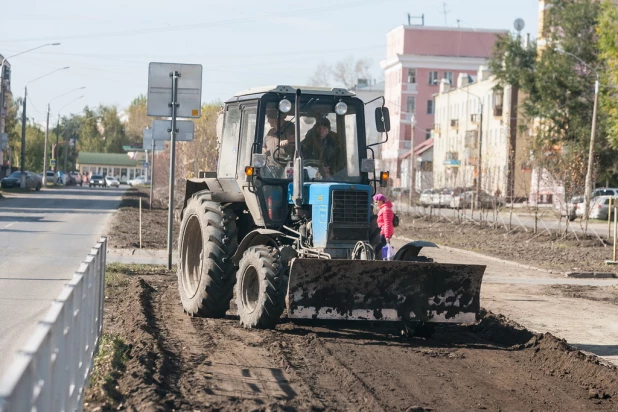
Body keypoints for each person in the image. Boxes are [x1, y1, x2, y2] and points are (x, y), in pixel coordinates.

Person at [374, 193, 394, 258]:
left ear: (380, 201)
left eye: (376, 201)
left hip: (384, 232)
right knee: (382, 247)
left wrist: (387, 236)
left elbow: (387, 223)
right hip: (383, 231)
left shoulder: (386, 210)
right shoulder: (383, 209)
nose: (375, 203)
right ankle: (384, 259)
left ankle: (378, 260)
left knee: (378, 248)